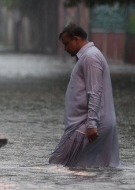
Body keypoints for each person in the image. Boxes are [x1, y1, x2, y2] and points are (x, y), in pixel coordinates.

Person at [49, 23, 119, 167]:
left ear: (76, 39)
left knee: (57, 163)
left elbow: (95, 92)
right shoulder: (89, 56)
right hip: (89, 124)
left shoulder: (90, 57)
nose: (65, 49)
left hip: (87, 125)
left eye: (66, 44)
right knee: (85, 168)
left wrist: (92, 124)